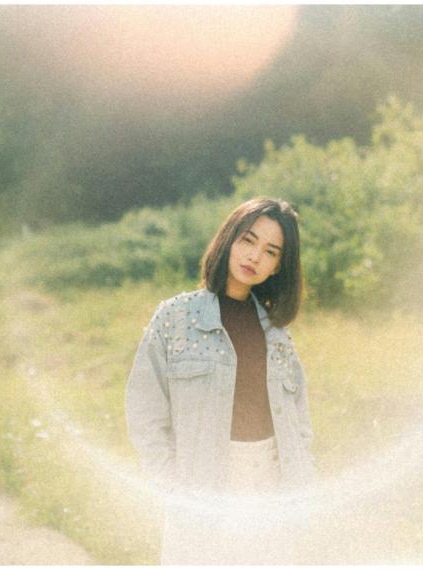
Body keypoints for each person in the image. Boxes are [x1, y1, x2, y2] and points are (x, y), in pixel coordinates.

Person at [125, 196, 314, 564]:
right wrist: (171, 486)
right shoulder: (175, 317)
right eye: (248, 240)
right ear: (229, 239)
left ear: (277, 267)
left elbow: (300, 422)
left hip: (271, 486)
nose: (254, 256)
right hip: (203, 486)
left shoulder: (277, 334)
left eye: (270, 251)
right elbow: (145, 413)